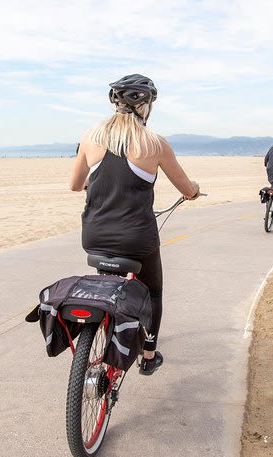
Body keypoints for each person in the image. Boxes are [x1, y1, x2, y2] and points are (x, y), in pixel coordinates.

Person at [69, 74, 200, 376]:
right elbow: (185, 187)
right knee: (152, 291)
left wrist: (98, 182)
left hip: (94, 235)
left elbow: (75, 185)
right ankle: (149, 355)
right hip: (137, 238)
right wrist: (193, 190)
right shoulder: (155, 144)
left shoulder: (91, 137)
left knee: (108, 281)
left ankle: (109, 326)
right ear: (146, 106)